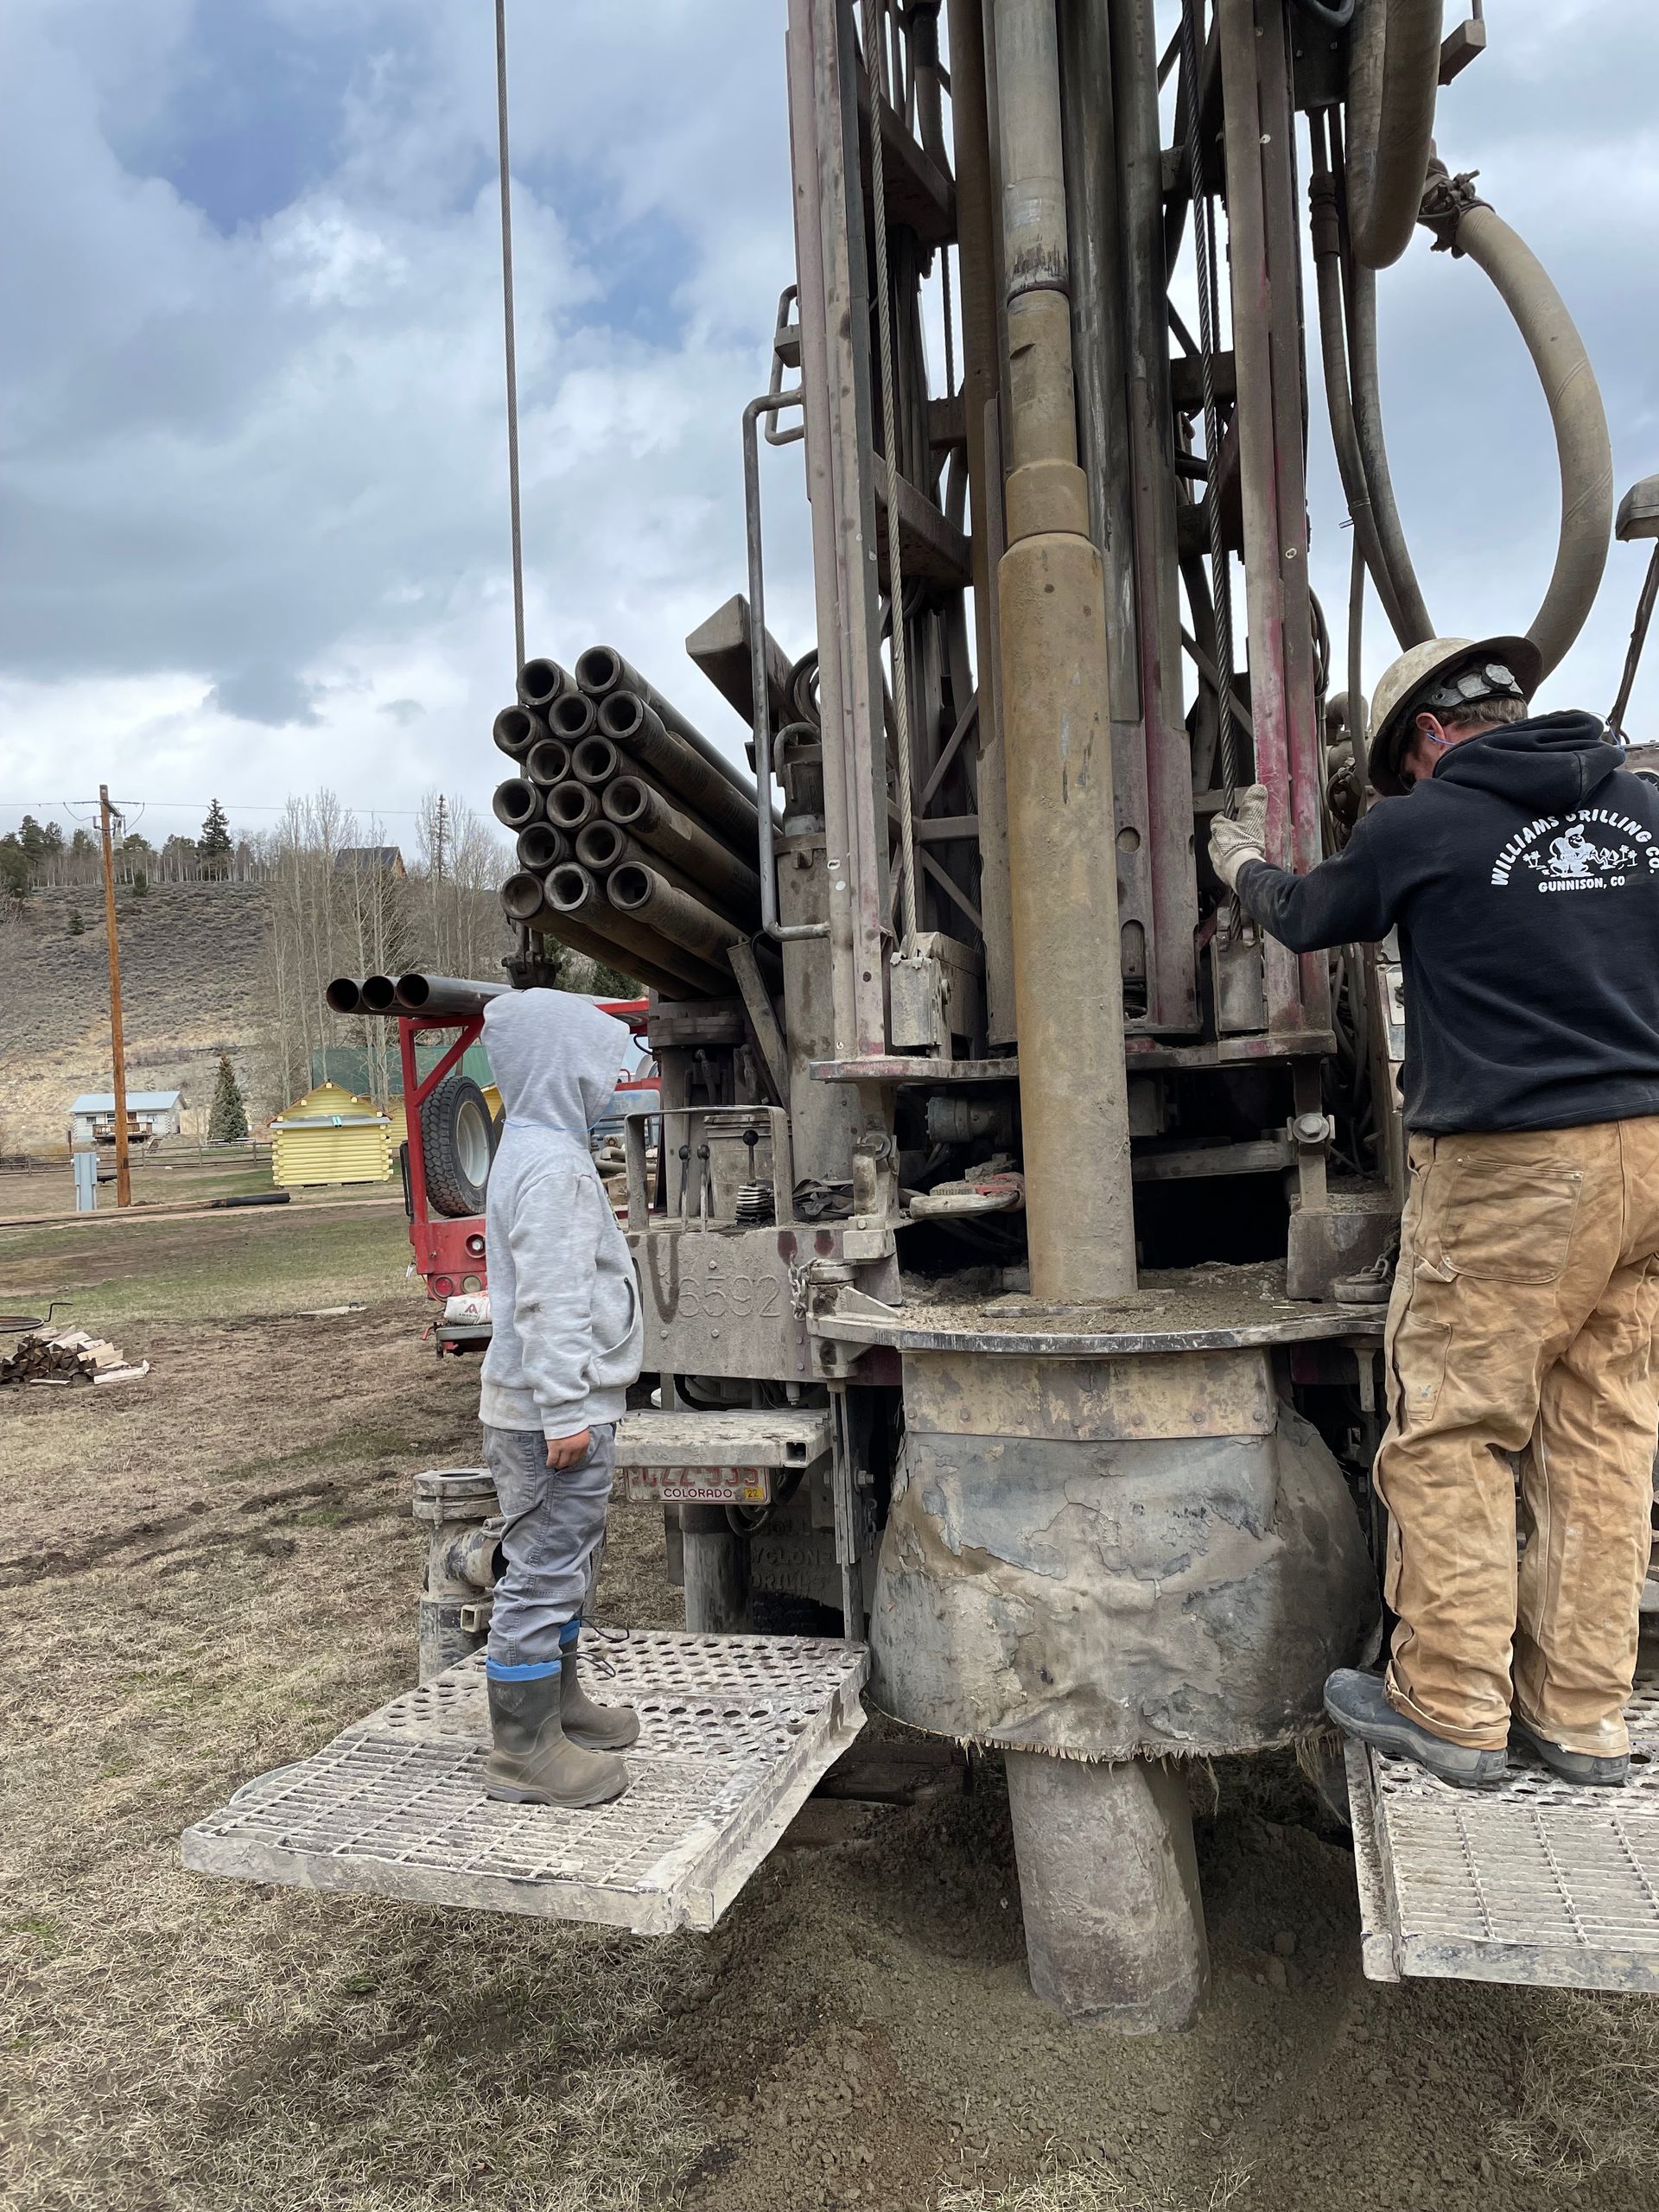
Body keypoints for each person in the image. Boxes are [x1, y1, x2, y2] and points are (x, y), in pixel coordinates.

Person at [1210, 635, 1659, 1791]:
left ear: (1425, 738)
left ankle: (1453, 1705)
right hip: (1651, 1162)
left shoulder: (1421, 823)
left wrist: (1242, 861)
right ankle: (1583, 1719)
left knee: (1457, 1427)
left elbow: (1310, 918)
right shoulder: (1644, 810)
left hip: (1516, 1171)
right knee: (1606, 1437)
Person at [476, 987, 645, 1808]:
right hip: (553, 1413)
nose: (611, 1079)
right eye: (600, 1062)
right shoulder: (554, 1168)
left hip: (551, 1404)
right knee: (541, 1572)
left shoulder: (532, 1145)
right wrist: (565, 1412)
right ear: (564, 1065)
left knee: (563, 1563)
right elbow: (550, 1298)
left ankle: (560, 1703)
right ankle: (524, 1749)